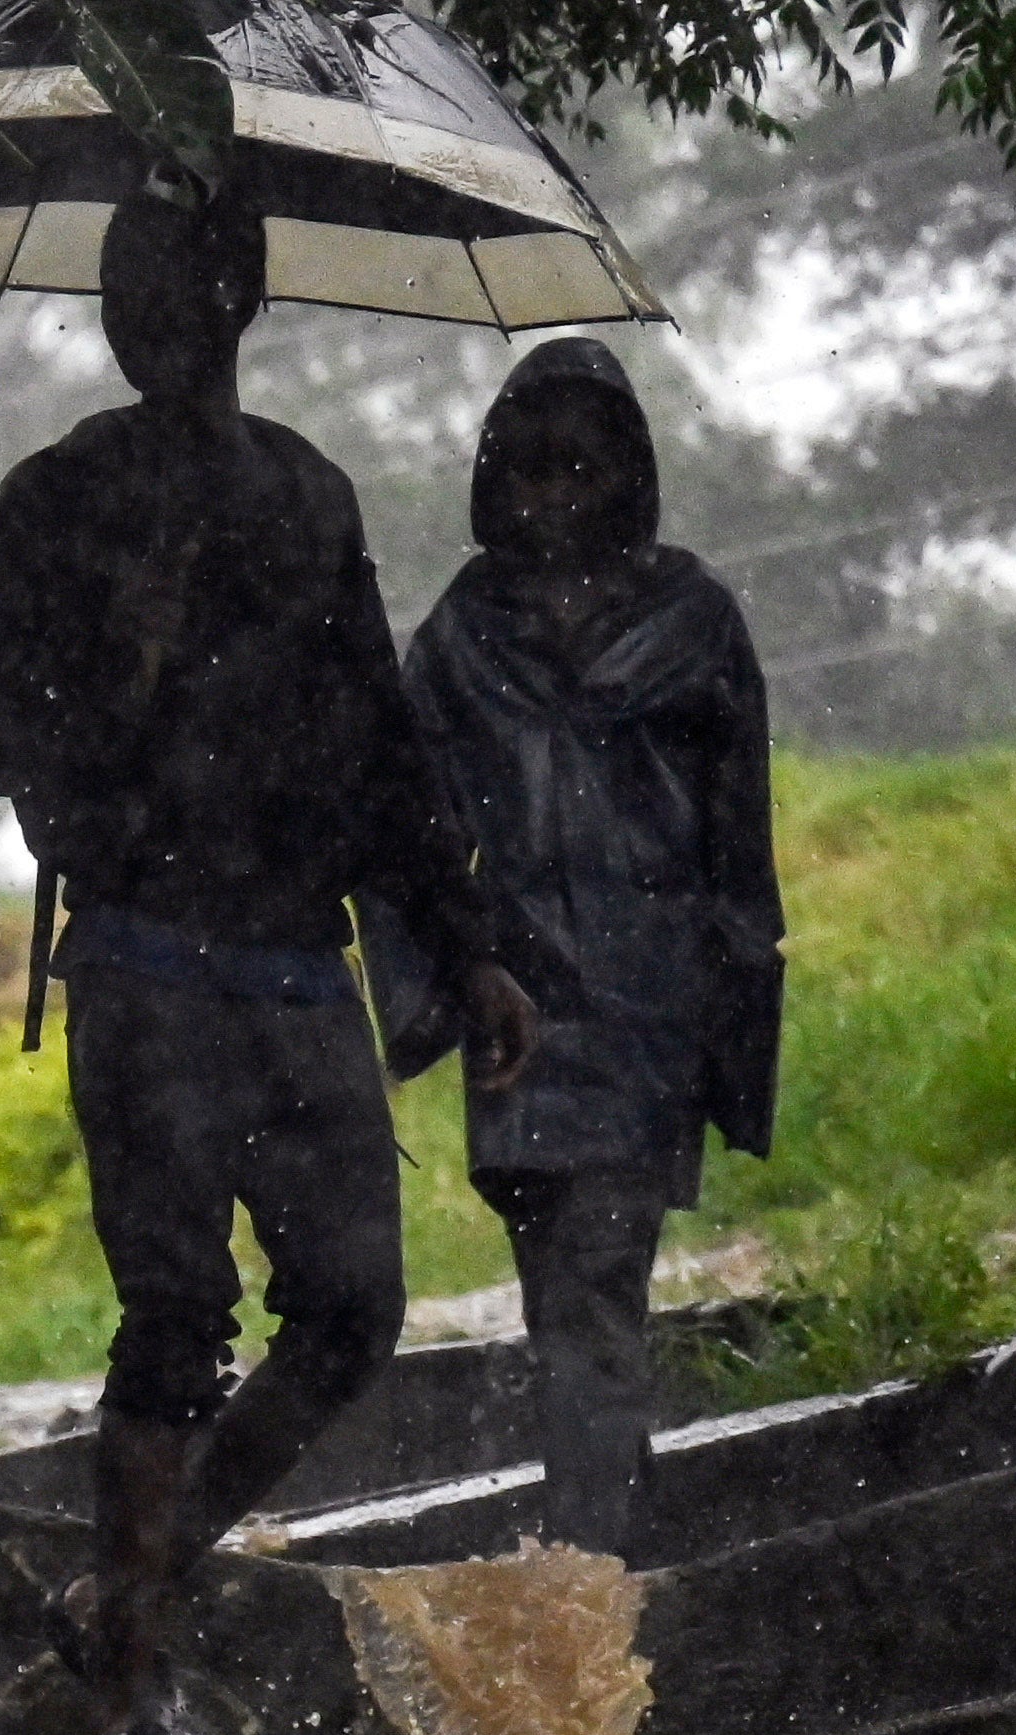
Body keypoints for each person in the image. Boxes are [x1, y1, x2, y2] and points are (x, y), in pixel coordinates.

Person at [0, 182, 539, 1735]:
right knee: (172, 1315)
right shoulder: (57, 500)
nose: (178, 315)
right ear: (117, 314)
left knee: (351, 1308)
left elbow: (378, 746)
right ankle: (125, 1659)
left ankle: (128, 1585)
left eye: (204, 282)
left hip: (295, 967)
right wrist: (113, 665)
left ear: (243, 301)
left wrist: (465, 941)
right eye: (151, 286)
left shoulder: (304, 493)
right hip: (142, 961)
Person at [379, 338, 783, 1558]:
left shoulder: (694, 620)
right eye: (531, 471)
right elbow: (400, 820)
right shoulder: (460, 637)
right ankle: (614, 1547)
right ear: (492, 484)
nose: (553, 497)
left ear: (630, 477)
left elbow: (738, 845)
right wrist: (448, 981)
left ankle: (589, 1568)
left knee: (594, 1288)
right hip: (516, 1014)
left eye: (580, 469)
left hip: (648, 1005)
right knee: (571, 1296)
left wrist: (733, 1017)